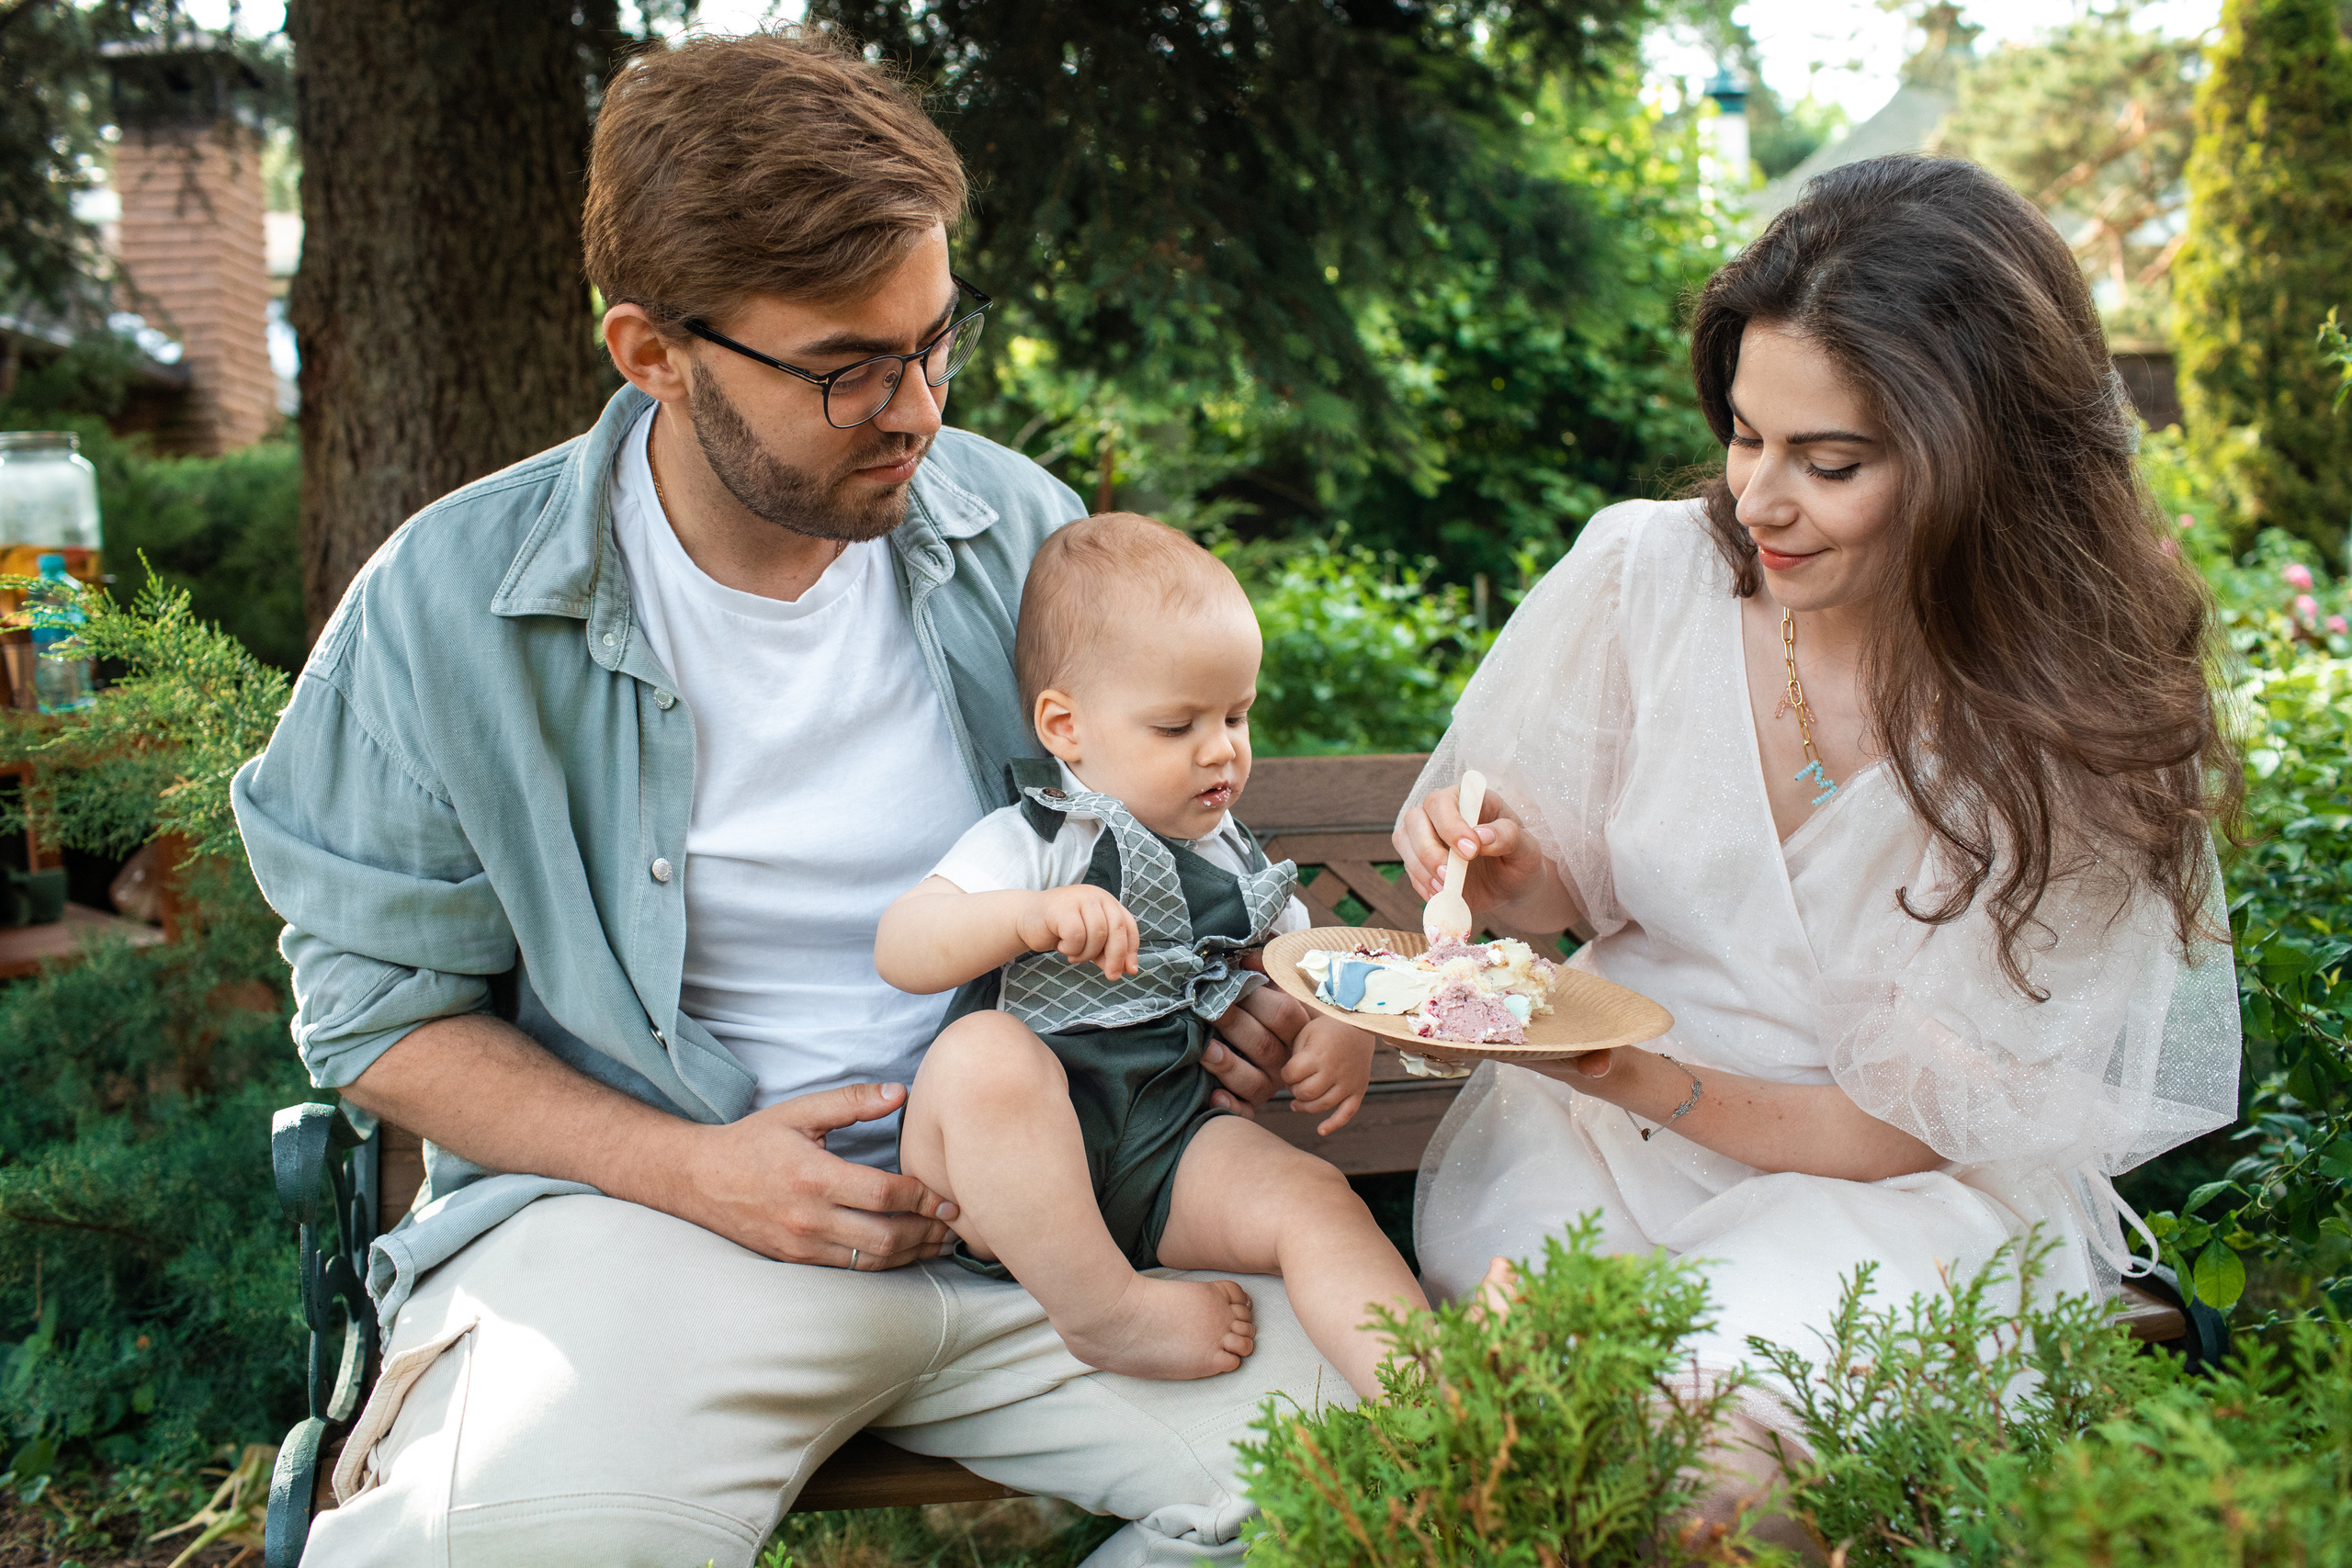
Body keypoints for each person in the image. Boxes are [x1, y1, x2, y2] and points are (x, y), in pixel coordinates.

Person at [232, 32, 1340, 1568]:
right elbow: (378, 1022)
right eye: (846, 368)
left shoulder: (1020, 531)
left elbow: (1145, 845)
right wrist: (693, 1168)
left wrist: (1215, 994)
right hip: (651, 1236)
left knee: (1410, 1482)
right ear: (650, 353)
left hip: (1062, 1224)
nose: (917, 409)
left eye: (935, 341)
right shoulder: (449, 602)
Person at [1393, 155, 2240, 1512]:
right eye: (1744, 435)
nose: (1757, 500)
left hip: (1897, 1200)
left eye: (1829, 461)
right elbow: (1549, 884)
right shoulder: (1643, 575)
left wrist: (1638, 1070)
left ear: (1983, 464)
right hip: (1589, 1160)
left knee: (1703, 1456)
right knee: (1540, 1434)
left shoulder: (2074, 718)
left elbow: (1924, 1127)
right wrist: (1504, 867)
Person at [878, 513, 1425, 1398]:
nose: (1222, 749)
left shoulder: (1239, 859)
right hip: (1001, 1175)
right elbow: (902, 945)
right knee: (982, 1056)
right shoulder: (1046, 837)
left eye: (1238, 714)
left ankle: (1431, 1407)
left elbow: (1328, 958)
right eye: (1178, 726)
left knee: (1317, 1200)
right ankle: (1106, 1311)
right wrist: (1026, 916)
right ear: (1067, 726)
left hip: (1169, 1147)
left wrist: (1343, 1024)